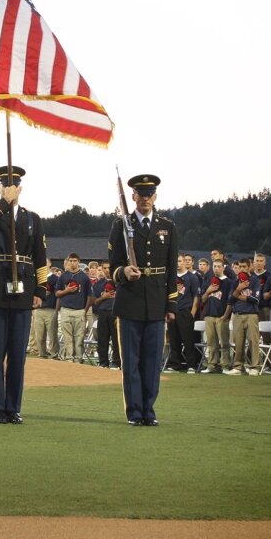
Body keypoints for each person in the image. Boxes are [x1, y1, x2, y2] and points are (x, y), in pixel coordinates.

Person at [0, 166, 47, 425]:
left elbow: (40, 257)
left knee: (17, 353)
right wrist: (4, 201)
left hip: (23, 290)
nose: (10, 189)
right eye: (5, 186)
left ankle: (13, 406)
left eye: (14, 186)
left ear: (21, 188)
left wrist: (40, 289)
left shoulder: (32, 219)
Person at [108, 173, 177, 426]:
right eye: (140, 194)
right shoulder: (121, 225)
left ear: (155, 197)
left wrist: (171, 305)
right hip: (130, 301)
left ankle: (149, 409)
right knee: (131, 362)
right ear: (133, 196)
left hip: (157, 302)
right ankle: (135, 411)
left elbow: (171, 269)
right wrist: (123, 272)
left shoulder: (167, 227)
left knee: (152, 361)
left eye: (149, 194)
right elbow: (112, 265)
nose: (145, 199)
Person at [55, 253, 91, 363]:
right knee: (67, 337)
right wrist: (66, 291)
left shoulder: (84, 277)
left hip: (79, 310)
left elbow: (90, 295)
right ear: (68, 262)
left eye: (75, 261)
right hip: (66, 309)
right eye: (70, 261)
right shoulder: (63, 276)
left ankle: (78, 358)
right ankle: (69, 358)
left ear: (78, 262)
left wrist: (85, 310)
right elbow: (57, 293)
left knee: (79, 337)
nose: (73, 263)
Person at [197, 258, 231, 374]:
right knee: (211, 343)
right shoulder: (208, 281)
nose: (216, 268)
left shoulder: (228, 282)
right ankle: (212, 365)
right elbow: (202, 299)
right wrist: (208, 291)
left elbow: (229, 301)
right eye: (214, 266)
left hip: (222, 316)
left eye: (218, 266)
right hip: (209, 315)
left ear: (223, 267)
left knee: (224, 343)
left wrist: (226, 315)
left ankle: (225, 365)